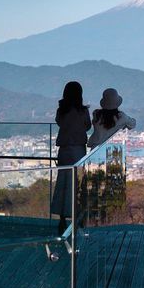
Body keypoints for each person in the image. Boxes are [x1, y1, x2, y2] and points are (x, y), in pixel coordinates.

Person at [50, 81, 91, 235]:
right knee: (77, 185)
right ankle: (77, 217)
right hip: (79, 148)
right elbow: (87, 126)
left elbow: (59, 122)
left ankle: (61, 218)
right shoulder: (83, 111)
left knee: (63, 184)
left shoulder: (62, 110)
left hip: (64, 149)